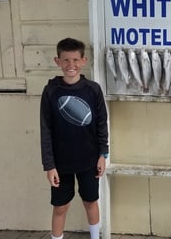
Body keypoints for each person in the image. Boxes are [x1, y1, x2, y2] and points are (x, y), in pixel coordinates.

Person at [40, 37, 109, 239]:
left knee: (90, 202)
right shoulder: (51, 91)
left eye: (75, 60)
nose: (71, 65)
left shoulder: (93, 90)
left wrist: (102, 154)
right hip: (61, 163)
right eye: (66, 60)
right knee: (60, 207)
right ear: (57, 61)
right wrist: (49, 165)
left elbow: (101, 125)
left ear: (84, 61)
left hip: (89, 160)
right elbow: (46, 129)